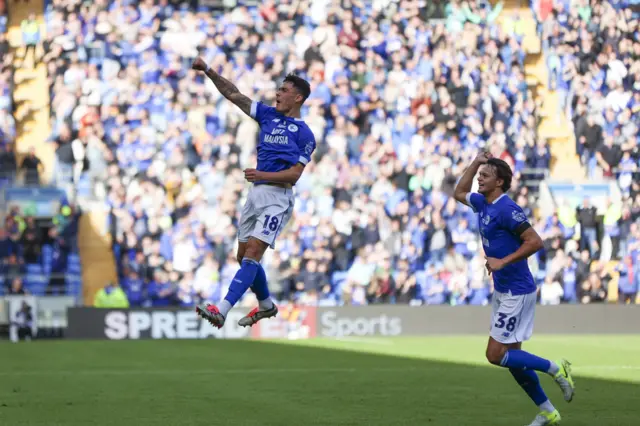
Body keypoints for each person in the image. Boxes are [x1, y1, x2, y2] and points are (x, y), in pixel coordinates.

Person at [191, 56, 316, 329]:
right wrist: (209, 71)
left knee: (253, 254)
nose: (277, 93)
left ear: (297, 98)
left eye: (283, 90)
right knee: (243, 256)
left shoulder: (304, 134)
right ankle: (267, 304)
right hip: (256, 194)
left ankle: (222, 310)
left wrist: (261, 174)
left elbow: (295, 175)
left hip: (277, 197)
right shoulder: (267, 115)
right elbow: (234, 95)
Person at [453, 152, 575, 426]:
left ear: (499, 182)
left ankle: (557, 370)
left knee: (495, 355)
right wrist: (474, 162)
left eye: (485, 175)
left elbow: (535, 241)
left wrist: (502, 261)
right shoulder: (482, 203)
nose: (479, 179)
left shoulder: (507, 209)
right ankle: (547, 411)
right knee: (513, 359)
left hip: (517, 291)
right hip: (504, 289)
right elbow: (459, 191)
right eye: (480, 174)